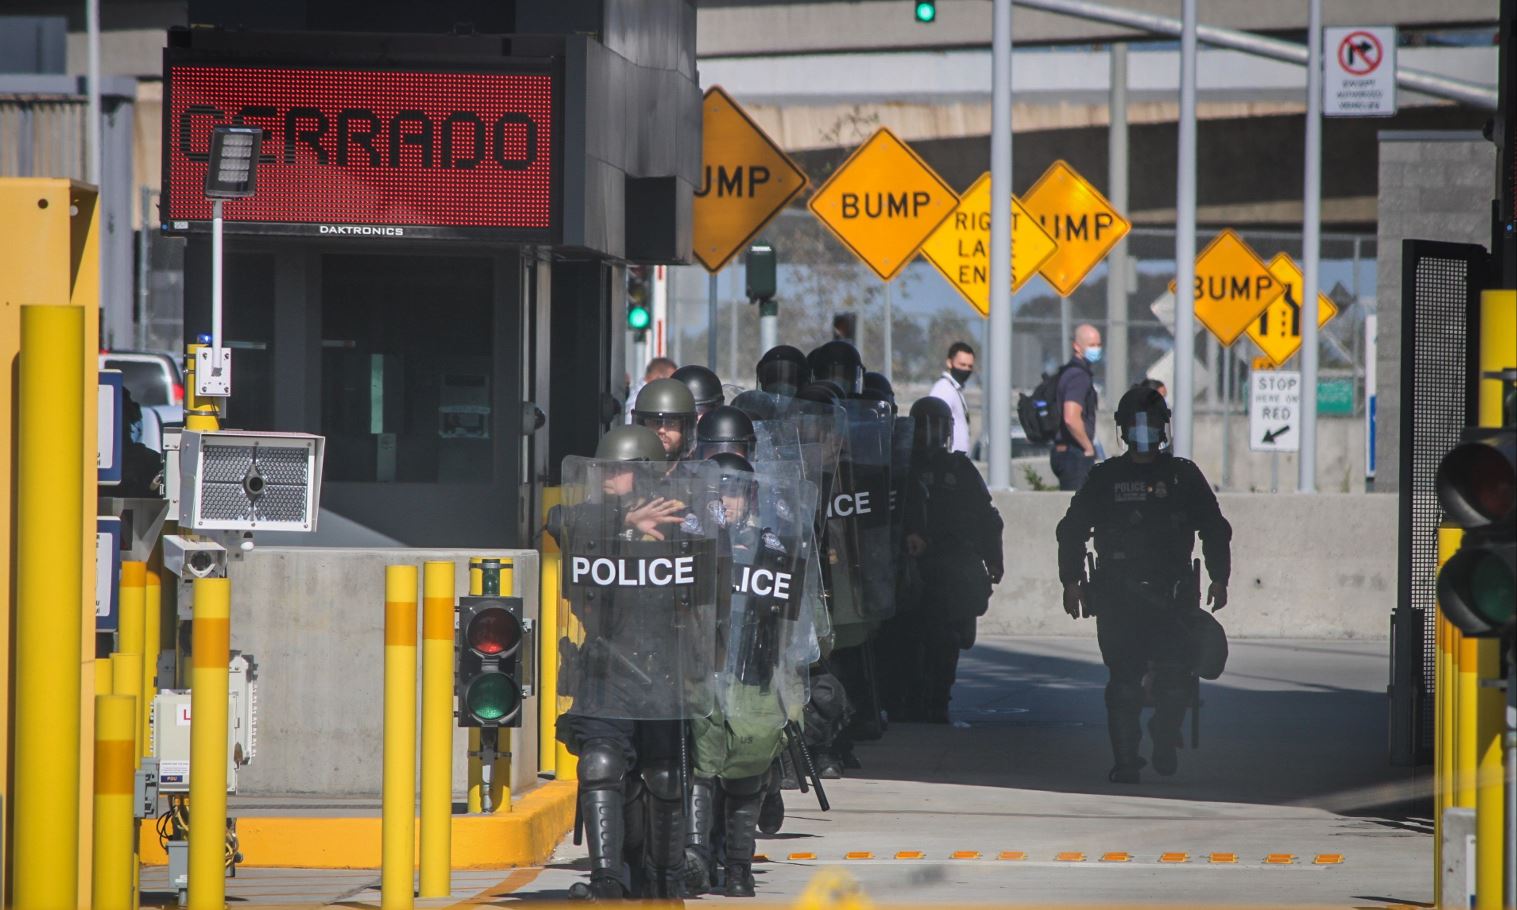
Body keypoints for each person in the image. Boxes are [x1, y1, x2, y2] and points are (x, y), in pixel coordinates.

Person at [550, 424, 710, 899]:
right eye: (604, 469)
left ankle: (665, 879)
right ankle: (606, 883)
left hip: (664, 669)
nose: (607, 477)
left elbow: (711, 550)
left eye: (619, 471)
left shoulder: (679, 516)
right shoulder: (586, 519)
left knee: (663, 775)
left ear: (642, 475)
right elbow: (557, 523)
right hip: (605, 670)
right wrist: (622, 523)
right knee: (600, 764)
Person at [1055, 386, 1232, 784]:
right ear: (1122, 430)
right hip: (1119, 599)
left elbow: (1215, 528)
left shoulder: (1182, 475)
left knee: (1174, 680)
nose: (1143, 432)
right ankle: (1126, 761)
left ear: (1163, 429)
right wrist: (1071, 581)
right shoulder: (1106, 477)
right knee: (1124, 682)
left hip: (1172, 596)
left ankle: (1164, 738)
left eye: (1150, 425)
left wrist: (1220, 577)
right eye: (1135, 425)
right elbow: (1072, 531)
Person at [900, 396, 1004, 723]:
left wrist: (994, 559)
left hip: (950, 570)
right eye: (924, 427)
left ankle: (937, 700)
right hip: (907, 568)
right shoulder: (901, 466)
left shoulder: (958, 469)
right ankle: (907, 700)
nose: (930, 435)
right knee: (905, 637)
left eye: (938, 426)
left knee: (946, 640)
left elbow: (986, 518)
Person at [1050, 324, 1103, 491]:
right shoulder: (1079, 376)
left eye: (1098, 344)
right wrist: (1088, 447)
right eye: (1091, 345)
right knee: (1079, 513)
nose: (1096, 349)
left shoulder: (1067, 372)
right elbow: (1071, 417)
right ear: (1076, 346)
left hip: (1064, 452)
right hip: (1075, 455)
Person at [631, 378, 698, 461]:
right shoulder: (628, 472)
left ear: (685, 430)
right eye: (655, 422)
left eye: (671, 423)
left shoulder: (698, 473)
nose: (662, 430)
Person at [928, 342, 974, 454]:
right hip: (948, 462)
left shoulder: (955, 389)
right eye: (962, 365)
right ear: (949, 362)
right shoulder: (944, 389)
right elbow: (935, 426)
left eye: (970, 366)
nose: (966, 370)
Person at [626, 357, 677, 424]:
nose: (674, 388)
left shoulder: (638, 393)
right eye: (672, 383)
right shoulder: (641, 399)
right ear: (661, 379)